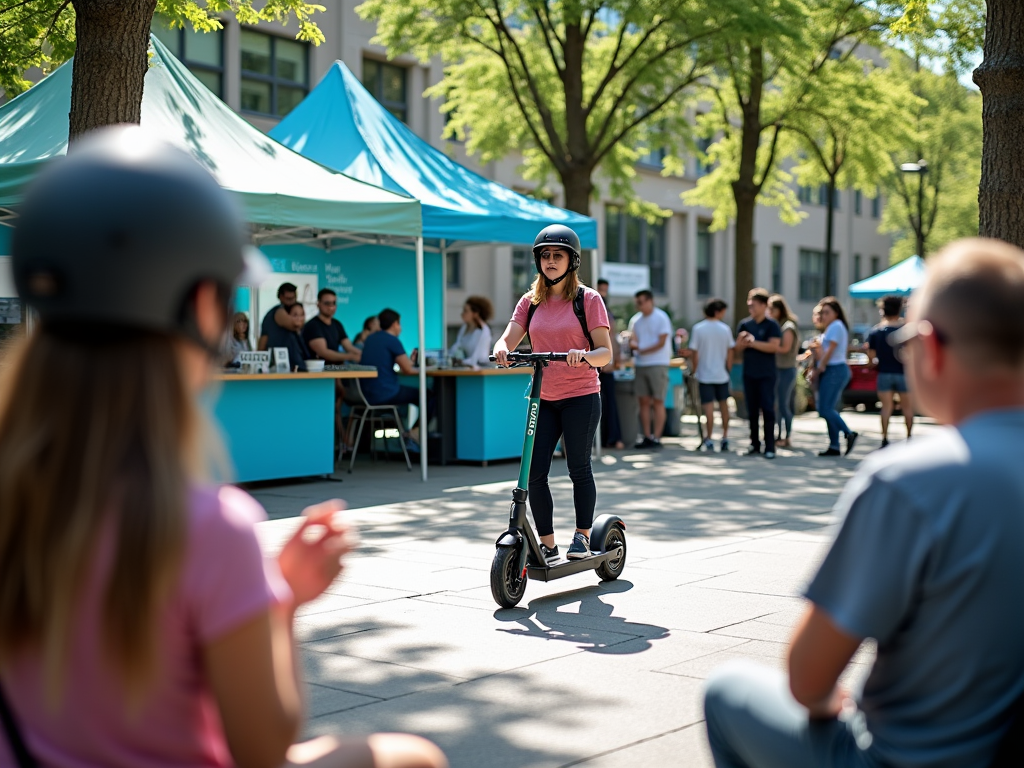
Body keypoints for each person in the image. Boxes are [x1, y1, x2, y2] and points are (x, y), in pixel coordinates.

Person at [0, 127, 446, 768]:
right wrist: (281, 602)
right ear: (205, 306)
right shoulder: (210, 529)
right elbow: (264, 747)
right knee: (412, 758)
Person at [703, 237, 1024, 768]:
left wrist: (834, 701)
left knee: (726, 690)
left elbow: (808, 680)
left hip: (905, 758)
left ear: (932, 347)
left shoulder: (912, 480)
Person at [493, 224, 612, 563]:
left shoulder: (587, 300)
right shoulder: (530, 302)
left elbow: (605, 352)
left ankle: (583, 537)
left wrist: (585, 356)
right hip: (543, 396)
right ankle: (547, 544)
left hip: (581, 395)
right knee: (534, 473)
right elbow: (509, 337)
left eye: (557, 255)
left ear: (572, 261)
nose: (550, 261)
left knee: (578, 467)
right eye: (545, 255)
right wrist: (502, 348)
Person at [359, 308, 435, 450]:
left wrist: (410, 363)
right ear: (395, 324)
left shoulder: (371, 339)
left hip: (365, 393)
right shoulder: (392, 341)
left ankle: (411, 434)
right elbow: (407, 370)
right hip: (386, 392)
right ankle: (414, 433)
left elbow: (402, 364)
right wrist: (429, 369)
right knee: (428, 396)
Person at [734, 289, 781, 459]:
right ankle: (754, 444)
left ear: (763, 305)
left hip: (767, 375)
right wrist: (741, 343)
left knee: (767, 409)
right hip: (749, 373)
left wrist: (753, 343)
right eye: (748, 306)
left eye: (753, 305)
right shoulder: (745, 325)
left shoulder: (772, 325)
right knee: (751, 411)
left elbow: (774, 347)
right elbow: (737, 350)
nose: (750, 309)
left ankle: (770, 446)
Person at [867, 294, 914, 448]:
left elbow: (872, 357)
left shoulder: (876, 331)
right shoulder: (906, 329)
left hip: (884, 372)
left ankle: (885, 438)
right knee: (907, 407)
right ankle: (909, 437)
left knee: (886, 407)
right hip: (903, 372)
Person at [628, 289, 673, 449]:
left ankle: (657, 437)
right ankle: (647, 436)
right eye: (637, 302)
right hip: (641, 364)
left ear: (649, 301)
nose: (638, 305)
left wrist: (641, 348)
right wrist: (635, 347)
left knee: (658, 400)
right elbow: (632, 341)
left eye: (641, 302)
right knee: (644, 401)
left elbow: (662, 342)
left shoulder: (661, 317)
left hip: (658, 363)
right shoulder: (636, 320)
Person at [689, 298, 735, 452]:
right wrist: (728, 369)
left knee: (708, 408)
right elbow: (730, 352)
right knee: (724, 407)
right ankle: (725, 437)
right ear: (717, 311)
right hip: (721, 374)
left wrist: (694, 370)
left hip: (704, 374)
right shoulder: (725, 329)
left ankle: (708, 438)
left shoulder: (698, 329)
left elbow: (695, 353)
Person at [814, 296, 858, 456]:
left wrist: (820, 367)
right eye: (822, 313)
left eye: (827, 312)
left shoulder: (836, 326)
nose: (823, 316)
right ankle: (834, 445)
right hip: (834, 370)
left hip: (834, 370)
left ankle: (848, 433)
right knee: (829, 409)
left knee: (824, 409)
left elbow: (830, 351)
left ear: (836, 313)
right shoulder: (832, 327)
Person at [596, 279, 624, 449]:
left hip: (603, 364)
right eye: (602, 289)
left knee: (608, 403)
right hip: (598, 363)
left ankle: (613, 438)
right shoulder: (596, 306)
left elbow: (611, 338)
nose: (604, 293)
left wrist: (611, 360)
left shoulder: (604, 310)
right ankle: (609, 438)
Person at [769, 295, 800, 448]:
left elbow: (785, 348)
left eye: (772, 309)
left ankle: (786, 436)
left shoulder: (787, 326)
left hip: (786, 370)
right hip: (778, 369)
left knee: (783, 405)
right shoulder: (778, 325)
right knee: (778, 405)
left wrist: (768, 347)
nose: (769, 312)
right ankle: (779, 435)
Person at [302, 288, 361, 364]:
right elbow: (323, 352)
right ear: (318, 304)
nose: (331, 307)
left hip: (336, 370)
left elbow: (349, 347)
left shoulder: (337, 324)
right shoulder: (312, 325)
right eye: (327, 303)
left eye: (334, 303)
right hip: (319, 371)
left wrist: (361, 354)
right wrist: (350, 356)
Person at [448, 295, 494, 367]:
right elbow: (456, 347)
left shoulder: (483, 331)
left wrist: (461, 362)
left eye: (466, 311)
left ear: (475, 314)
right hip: (466, 368)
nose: (462, 314)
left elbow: (478, 358)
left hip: (480, 370)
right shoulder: (464, 328)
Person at [267, 302, 312, 372]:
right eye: (295, 315)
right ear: (288, 316)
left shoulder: (304, 332)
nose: (299, 318)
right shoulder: (288, 337)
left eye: (302, 314)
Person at [257, 282, 297, 351]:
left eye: (293, 298)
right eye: (288, 299)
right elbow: (294, 325)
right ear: (281, 297)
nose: (291, 302)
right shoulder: (278, 312)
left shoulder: (286, 311)